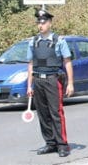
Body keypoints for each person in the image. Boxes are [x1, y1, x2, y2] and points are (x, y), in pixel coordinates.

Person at [26, 8, 75, 157]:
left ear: (50, 23)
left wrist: (71, 83)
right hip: (38, 81)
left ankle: (62, 145)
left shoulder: (59, 41)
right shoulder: (33, 42)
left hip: (53, 80)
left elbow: (67, 62)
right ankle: (50, 143)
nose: (40, 25)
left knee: (56, 113)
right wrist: (29, 85)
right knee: (43, 114)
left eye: (43, 22)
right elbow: (30, 64)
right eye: (38, 22)